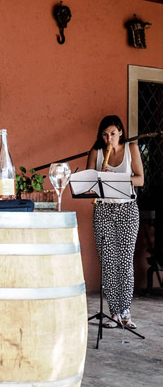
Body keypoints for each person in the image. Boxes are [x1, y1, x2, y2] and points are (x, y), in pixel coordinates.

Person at [86, 115, 143, 329]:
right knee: (108, 262)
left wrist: (117, 179)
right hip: (103, 209)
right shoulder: (96, 152)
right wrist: (99, 175)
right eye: (104, 134)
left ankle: (126, 312)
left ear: (120, 131)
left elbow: (140, 179)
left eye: (112, 133)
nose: (108, 138)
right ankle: (114, 313)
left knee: (125, 261)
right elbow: (89, 185)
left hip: (128, 209)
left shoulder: (132, 149)